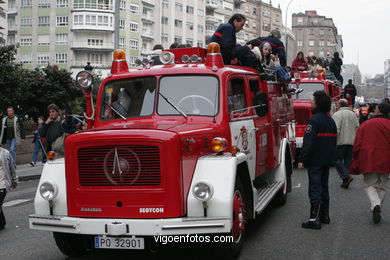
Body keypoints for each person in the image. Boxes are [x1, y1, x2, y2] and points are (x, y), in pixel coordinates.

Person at [298, 90, 337, 230]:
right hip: (327, 160)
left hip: (315, 161)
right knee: (324, 187)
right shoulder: (330, 121)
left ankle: (314, 219)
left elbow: (309, 142)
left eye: (313, 100)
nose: (311, 102)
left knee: (315, 188)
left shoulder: (314, 120)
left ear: (318, 103)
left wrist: (302, 159)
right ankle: (325, 216)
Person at [350, 103, 390, 224]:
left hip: (369, 157)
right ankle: (377, 207)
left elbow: (357, 144)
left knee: (369, 184)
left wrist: (356, 157)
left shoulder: (366, 124)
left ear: (378, 111)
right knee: (382, 185)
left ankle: (375, 204)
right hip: (386, 158)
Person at [209, 13, 272, 80]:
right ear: (235, 21)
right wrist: (231, 59)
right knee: (246, 49)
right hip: (223, 55)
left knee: (241, 49)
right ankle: (260, 71)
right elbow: (226, 46)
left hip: (220, 54)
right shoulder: (229, 28)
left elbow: (227, 44)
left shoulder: (225, 26)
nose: (242, 28)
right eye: (242, 25)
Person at [332, 99, 359, 189]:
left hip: (340, 142)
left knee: (336, 159)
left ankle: (346, 177)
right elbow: (357, 128)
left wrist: (333, 141)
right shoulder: (353, 115)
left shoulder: (337, 114)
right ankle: (345, 180)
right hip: (351, 141)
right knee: (347, 162)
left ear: (339, 105)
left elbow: (336, 129)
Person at [0, 146, 17, 231]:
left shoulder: (5, 153)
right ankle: (2, 223)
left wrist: (14, 180)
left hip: (2, 184)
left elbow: (12, 167)